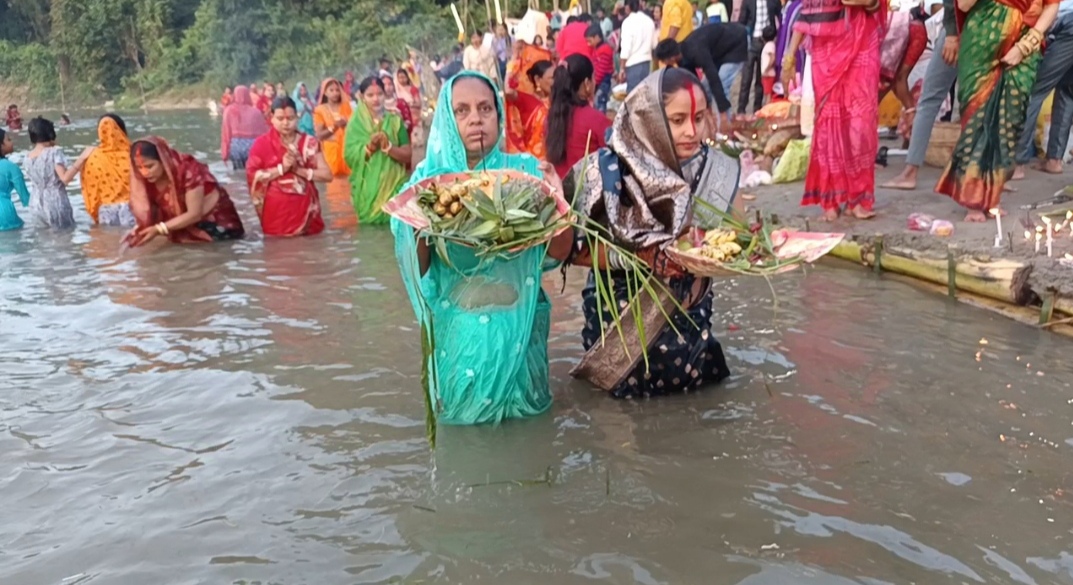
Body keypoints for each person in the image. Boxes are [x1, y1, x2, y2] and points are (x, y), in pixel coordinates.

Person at [390, 71, 572, 425]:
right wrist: (419, 219)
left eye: (485, 108)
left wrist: (558, 203)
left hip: (522, 336)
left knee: (531, 443)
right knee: (467, 438)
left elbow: (560, 252)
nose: (476, 118)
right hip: (463, 341)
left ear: (499, 115)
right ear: (446, 116)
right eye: (462, 110)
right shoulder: (430, 183)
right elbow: (419, 268)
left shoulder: (526, 174)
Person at [566, 68, 735, 399]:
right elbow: (570, 249)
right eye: (677, 120)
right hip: (619, 324)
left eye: (699, 118)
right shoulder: (606, 170)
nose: (692, 131)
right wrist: (639, 257)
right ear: (647, 118)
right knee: (619, 417)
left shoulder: (714, 170)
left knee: (689, 405)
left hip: (689, 323)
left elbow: (731, 242)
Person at [936, 0, 1061, 221]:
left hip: (1027, 42)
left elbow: (1051, 5)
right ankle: (972, 200)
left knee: (1009, 121)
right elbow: (963, 6)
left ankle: (993, 197)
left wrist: (1026, 45)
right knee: (977, 116)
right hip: (981, 40)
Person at [782, 0, 884, 221]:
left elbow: (876, 5)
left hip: (862, 40)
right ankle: (832, 198)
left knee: (860, 123)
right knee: (829, 122)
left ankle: (859, 197)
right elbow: (805, 15)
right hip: (826, 51)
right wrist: (788, 59)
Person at [882, 0, 960, 190]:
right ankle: (990, 177)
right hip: (990, 30)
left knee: (929, 100)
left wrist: (951, 34)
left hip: (961, 30)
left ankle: (910, 172)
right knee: (983, 101)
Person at [126, 137, 245, 246]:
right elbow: (151, 212)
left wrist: (159, 229)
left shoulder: (188, 170)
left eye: (149, 166)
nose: (144, 173)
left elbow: (194, 214)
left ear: (163, 160)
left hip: (216, 227)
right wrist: (138, 230)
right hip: (180, 228)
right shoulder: (144, 180)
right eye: (139, 168)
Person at [246, 97, 332, 237]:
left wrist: (300, 170)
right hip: (276, 218)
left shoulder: (309, 143)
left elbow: (327, 175)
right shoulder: (261, 144)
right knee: (278, 254)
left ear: (297, 117)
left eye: (290, 118)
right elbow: (252, 175)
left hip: (308, 215)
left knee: (310, 253)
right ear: (271, 118)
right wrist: (282, 169)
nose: (285, 123)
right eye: (280, 119)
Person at [1013, 0, 1073, 177]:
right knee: (1067, 92)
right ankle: (1054, 160)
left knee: (1034, 91)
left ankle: (1016, 164)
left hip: (1067, 26)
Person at [343, 77, 412, 225]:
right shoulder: (355, 125)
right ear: (362, 97)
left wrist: (388, 148)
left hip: (395, 187)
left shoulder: (395, 121)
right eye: (370, 95)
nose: (376, 99)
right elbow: (349, 157)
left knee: (397, 226)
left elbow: (407, 155)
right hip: (368, 192)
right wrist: (369, 148)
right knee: (370, 231)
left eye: (380, 94)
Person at [655, 23, 748, 125]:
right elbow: (695, 83)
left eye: (664, 61)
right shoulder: (681, 58)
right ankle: (709, 122)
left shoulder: (696, 51)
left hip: (736, 43)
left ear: (671, 58)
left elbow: (714, 79)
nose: (664, 64)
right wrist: (707, 110)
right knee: (704, 87)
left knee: (722, 82)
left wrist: (722, 111)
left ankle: (725, 125)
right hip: (717, 53)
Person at [546, 54, 612, 178]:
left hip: (559, 191)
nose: (595, 82)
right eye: (593, 78)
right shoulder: (595, 119)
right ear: (587, 83)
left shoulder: (551, 117)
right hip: (588, 193)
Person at [24, 117, 88, 229]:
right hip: (55, 202)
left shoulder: (27, 157)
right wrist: (81, 159)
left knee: (43, 240)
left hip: (35, 204)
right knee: (64, 239)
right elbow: (65, 178)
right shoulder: (54, 152)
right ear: (50, 133)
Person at [80, 114, 136, 227]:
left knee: (109, 243)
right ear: (121, 129)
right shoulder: (135, 153)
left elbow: (91, 191)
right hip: (134, 208)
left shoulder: (93, 157)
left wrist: (95, 214)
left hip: (106, 211)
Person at [506, 36, 555, 154]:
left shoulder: (559, 99)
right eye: (551, 78)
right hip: (534, 163)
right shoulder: (529, 101)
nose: (556, 81)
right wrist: (512, 63)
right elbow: (508, 91)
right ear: (538, 80)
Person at [737, 0, 782, 115]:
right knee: (746, 78)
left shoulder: (773, 1)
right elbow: (742, 21)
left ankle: (757, 110)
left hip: (766, 42)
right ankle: (741, 109)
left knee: (761, 78)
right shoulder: (748, 1)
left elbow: (780, 17)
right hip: (751, 42)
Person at [220, 86, 269, 170]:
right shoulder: (256, 112)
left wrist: (225, 154)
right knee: (252, 171)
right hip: (252, 146)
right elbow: (264, 133)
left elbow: (226, 134)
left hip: (236, 147)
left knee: (238, 173)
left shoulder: (228, 111)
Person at [313, 77, 353, 178]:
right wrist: (335, 126)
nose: (335, 93)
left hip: (348, 149)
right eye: (331, 90)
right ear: (325, 92)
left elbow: (355, 126)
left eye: (337, 90)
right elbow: (320, 135)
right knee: (334, 185)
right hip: (331, 153)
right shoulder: (320, 110)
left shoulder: (346, 107)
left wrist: (347, 124)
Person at [621, 0, 658, 91]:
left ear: (627, 7)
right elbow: (654, 45)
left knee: (633, 96)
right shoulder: (649, 20)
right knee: (645, 94)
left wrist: (622, 68)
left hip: (633, 64)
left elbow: (626, 49)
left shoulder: (628, 22)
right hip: (647, 63)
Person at [0, 128, 30, 231]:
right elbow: (26, 199)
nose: (11, 142)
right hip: (4, 213)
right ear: (1, 145)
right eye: (8, 139)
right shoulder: (11, 167)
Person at [586, 25, 616, 111]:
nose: (588, 44)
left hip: (602, 81)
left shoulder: (604, 50)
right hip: (598, 80)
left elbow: (601, 70)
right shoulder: (597, 49)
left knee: (600, 103)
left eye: (590, 41)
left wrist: (594, 84)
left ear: (597, 37)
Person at [381, 73, 416, 138]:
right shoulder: (378, 106)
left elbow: (408, 122)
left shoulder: (401, 103)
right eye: (384, 85)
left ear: (394, 86)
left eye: (390, 84)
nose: (387, 87)